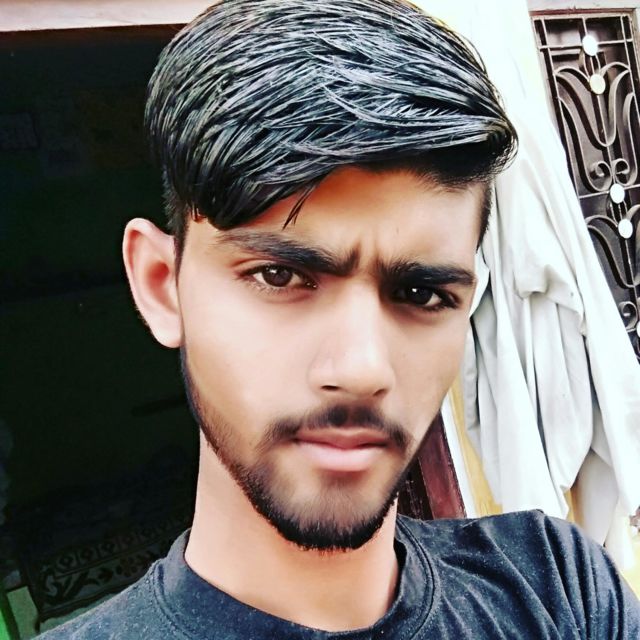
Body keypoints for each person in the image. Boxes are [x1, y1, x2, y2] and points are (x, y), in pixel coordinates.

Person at [38, 0, 640, 637]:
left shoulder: (556, 587)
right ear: (162, 286)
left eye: (421, 294)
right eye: (279, 277)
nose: (362, 369)